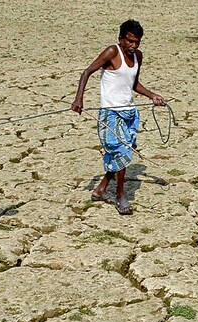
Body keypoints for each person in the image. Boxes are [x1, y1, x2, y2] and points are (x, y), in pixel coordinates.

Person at [71, 19, 165, 215]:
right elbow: (86, 72)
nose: (133, 46)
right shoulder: (112, 52)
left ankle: (101, 189)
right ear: (121, 39)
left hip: (130, 112)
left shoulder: (138, 56)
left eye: (137, 42)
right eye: (130, 41)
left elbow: (134, 83)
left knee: (122, 154)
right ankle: (121, 196)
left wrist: (153, 95)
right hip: (110, 114)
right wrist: (79, 99)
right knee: (122, 154)